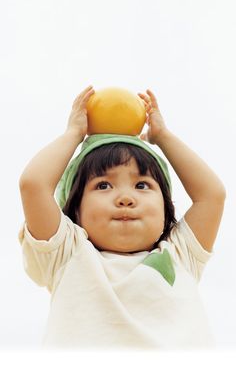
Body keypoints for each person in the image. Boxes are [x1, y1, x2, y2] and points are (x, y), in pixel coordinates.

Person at [18, 85, 226, 349]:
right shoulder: (67, 253)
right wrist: (73, 134)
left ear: (166, 209)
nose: (125, 198)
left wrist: (163, 137)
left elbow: (212, 195)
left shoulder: (180, 253)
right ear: (75, 210)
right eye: (103, 185)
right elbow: (33, 185)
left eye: (142, 185)